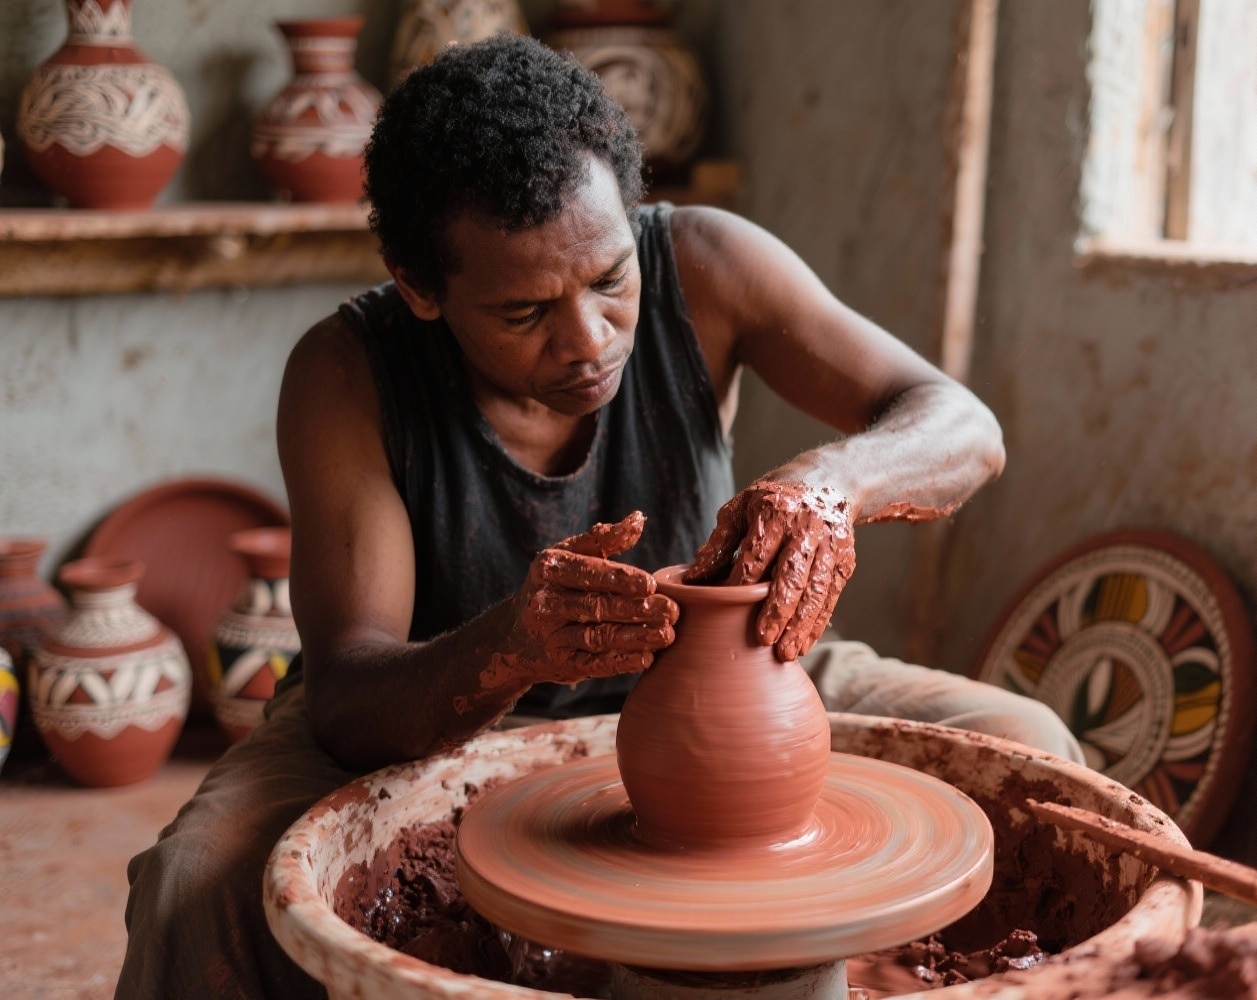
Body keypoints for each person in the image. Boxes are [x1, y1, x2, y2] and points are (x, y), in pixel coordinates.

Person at [116, 34, 1080, 1000]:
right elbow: (350, 699)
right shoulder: (347, 375)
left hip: (731, 670)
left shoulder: (706, 262)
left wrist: (828, 486)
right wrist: (515, 646)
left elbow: (961, 426)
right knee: (194, 883)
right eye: (526, 314)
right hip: (441, 709)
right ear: (420, 286)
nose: (588, 342)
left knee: (1033, 753)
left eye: (610, 280)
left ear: (632, 219)